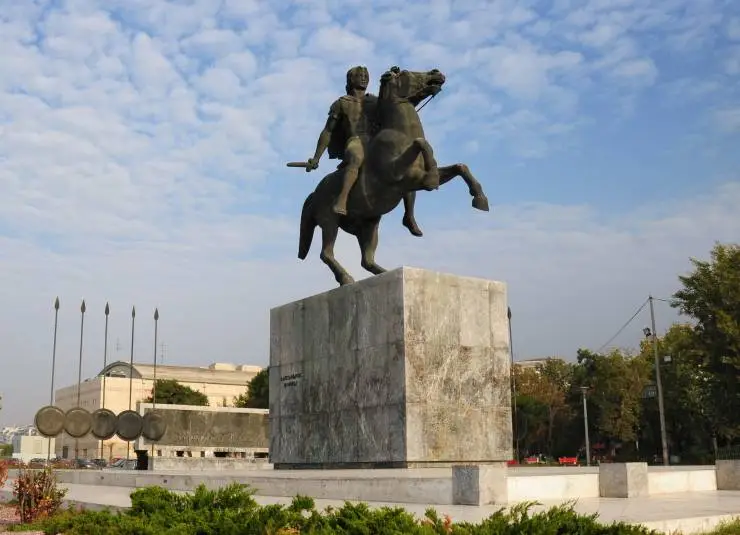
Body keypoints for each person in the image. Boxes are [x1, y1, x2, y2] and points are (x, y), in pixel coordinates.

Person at [305, 65, 423, 236]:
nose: (363, 77)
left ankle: (409, 215)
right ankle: (342, 198)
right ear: (350, 79)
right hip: (356, 140)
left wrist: (394, 78)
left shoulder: (375, 101)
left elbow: (396, 106)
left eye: (366, 75)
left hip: (377, 142)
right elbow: (328, 131)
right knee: (356, 156)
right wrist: (316, 158)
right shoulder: (341, 103)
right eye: (359, 75)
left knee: (405, 165)